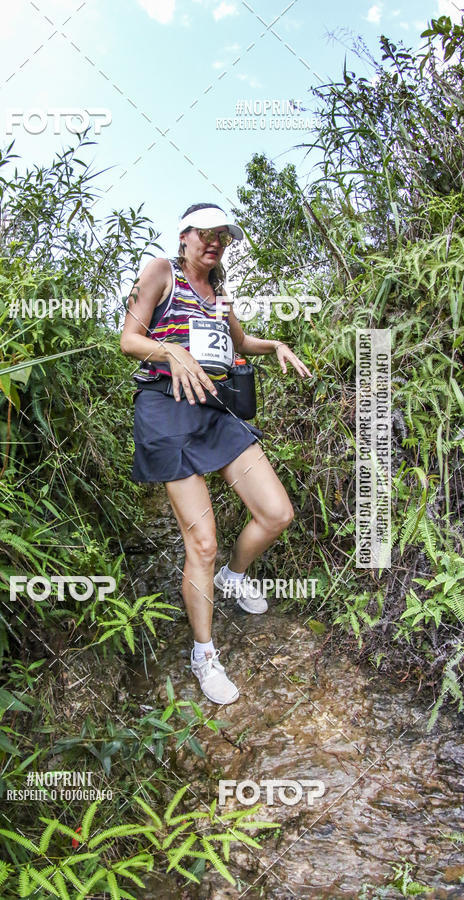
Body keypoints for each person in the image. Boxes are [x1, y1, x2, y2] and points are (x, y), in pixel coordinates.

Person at [120, 202, 312, 704]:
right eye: (205, 233)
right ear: (184, 235)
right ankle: (203, 654)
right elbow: (127, 339)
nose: (214, 242)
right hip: (165, 409)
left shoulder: (221, 296)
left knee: (276, 512)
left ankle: (234, 576)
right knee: (201, 543)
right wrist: (173, 351)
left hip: (214, 410)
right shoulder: (161, 272)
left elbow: (241, 340)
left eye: (222, 236)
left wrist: (276, 348)